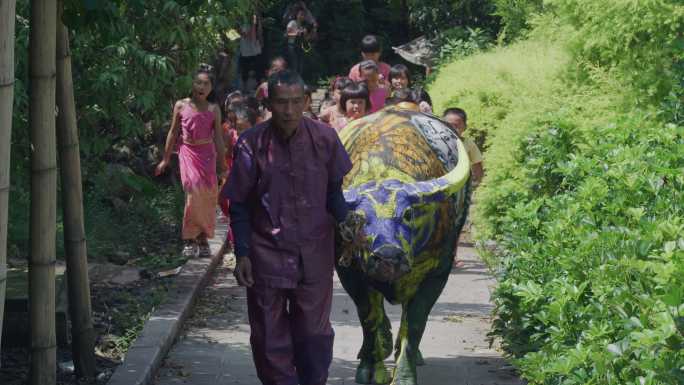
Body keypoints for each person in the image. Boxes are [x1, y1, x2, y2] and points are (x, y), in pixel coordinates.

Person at [221, 70, 354, 385]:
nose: (289, 110)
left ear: (307, 101)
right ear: (269, 104)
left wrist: (350, 228)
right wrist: (242, 253)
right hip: (266, 255)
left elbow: (335, 193)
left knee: (314, 335)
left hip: (315, 253)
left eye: (297, 102)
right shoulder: (251, 143)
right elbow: (238, 204)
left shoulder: (325, 138)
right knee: (269, 338)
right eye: (282, 102)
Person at [156, 69, 225, 258]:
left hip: (207, 155)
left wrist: (223, 165)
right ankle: (189, 239)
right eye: (198, 82)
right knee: (193, 194)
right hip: (187, 153)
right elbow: (173, 132)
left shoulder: (214, 109)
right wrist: (165, 159)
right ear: (192, 84)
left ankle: (203, 238)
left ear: (211, 88)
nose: (201, 87)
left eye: (206, 84)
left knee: (208, 196)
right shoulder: (181, 106)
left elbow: (218, 137)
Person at [443, 107, 484, 185]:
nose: (452, 129)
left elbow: (477, 164)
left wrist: (478, 181)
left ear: (465, 127)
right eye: (448, 125)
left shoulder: (468, 144)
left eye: (456, 126)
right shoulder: (435, 142)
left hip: (461, 184)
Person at [285, 5, 317, 76]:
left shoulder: (302, 26)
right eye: (301, 14)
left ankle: (299, 82)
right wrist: (297, 33)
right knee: (294, 65)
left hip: (300, 46)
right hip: (292, 46)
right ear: (297, 15)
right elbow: (286, 35)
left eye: (303, 15)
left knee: (300, 65)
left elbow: (306, 38)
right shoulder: (292, 23)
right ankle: (293, 82)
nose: (302, 16)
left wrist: (311, 32)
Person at [239, 13, 263, 87]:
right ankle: (247, 86)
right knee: (247, 68)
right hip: (248, 48)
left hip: (253, 48)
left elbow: (257, 31)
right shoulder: (241, 17)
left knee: (255, 69)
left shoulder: (254, 17)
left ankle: (257, 86)